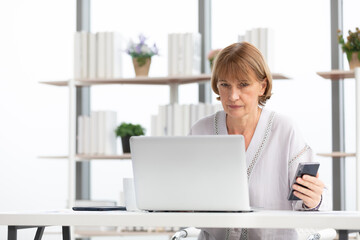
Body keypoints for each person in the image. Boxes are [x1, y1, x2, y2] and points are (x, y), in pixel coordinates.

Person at [189, 42, 331, 240]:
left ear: (262, 86)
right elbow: (189, 199)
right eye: (225, 85)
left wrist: (313, 200)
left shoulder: (285, 130)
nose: (233, 95)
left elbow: (312, 204)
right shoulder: (200, 131)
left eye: (243, 84)